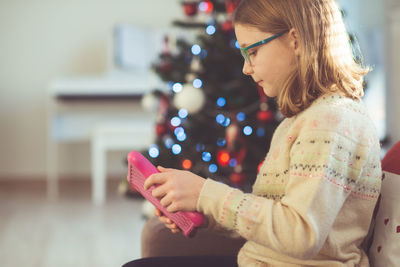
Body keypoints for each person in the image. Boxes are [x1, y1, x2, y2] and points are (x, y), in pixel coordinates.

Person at [123, 0, 382, 266]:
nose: (246, 68)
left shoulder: (331, 122)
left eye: (253, 52)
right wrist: (202, 209)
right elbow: (272, 220)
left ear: (295, 40)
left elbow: (301, 233)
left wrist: (205, 193)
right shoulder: (302, 120)